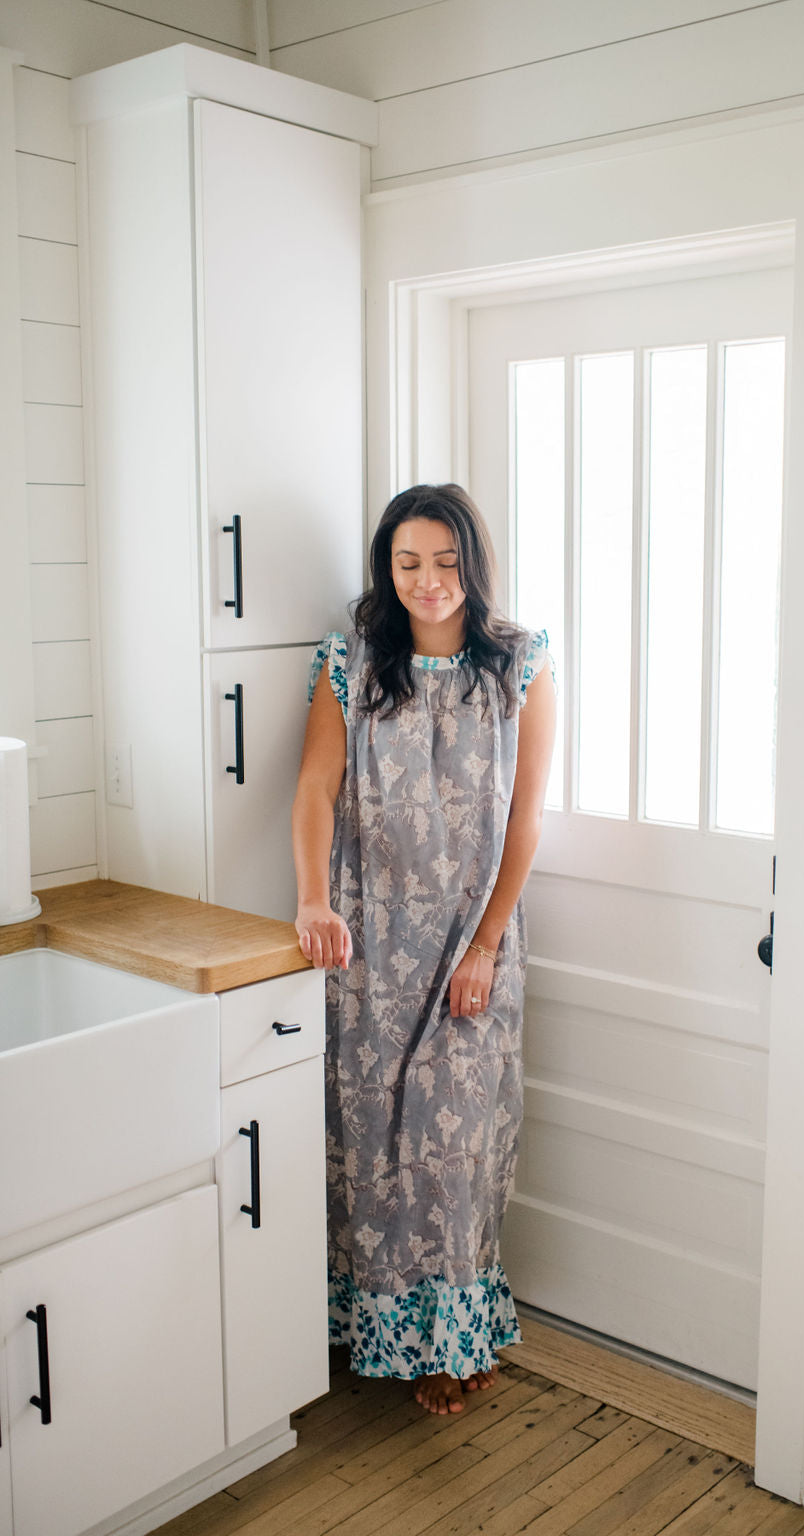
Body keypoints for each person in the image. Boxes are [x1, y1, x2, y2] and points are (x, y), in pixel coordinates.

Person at [291, 483, 556, 1416]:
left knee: (457, 1143)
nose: (429, 581)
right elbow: (317, 789)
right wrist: (314, 899)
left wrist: (485, 945)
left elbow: (525, 823)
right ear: (387, 568)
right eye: (409, 563)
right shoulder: (350, 662)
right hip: (367, 938)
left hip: (469, 942)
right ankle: (372, 1330)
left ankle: (453, 1342)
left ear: (473, 566)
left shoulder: (519, 666)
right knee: (371, 1142)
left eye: (446, 562)